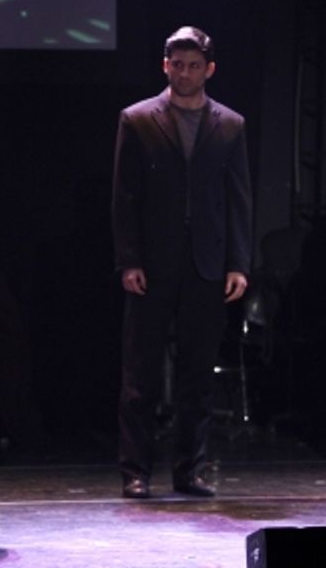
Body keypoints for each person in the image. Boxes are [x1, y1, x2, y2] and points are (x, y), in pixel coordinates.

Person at [111, 26, 252, 499]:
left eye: (194, 66)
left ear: (209, 70)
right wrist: (128, 259)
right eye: (177, 64)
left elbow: (238, 200)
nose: (185, 73)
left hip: (207, 264)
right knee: (141, 372)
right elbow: (124, 198)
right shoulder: (138, 119)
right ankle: (136, 471)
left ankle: (189, 470)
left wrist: (238, 263)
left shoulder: (230, 125)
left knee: (197, 373)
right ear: (164, 66)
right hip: (153, 262)